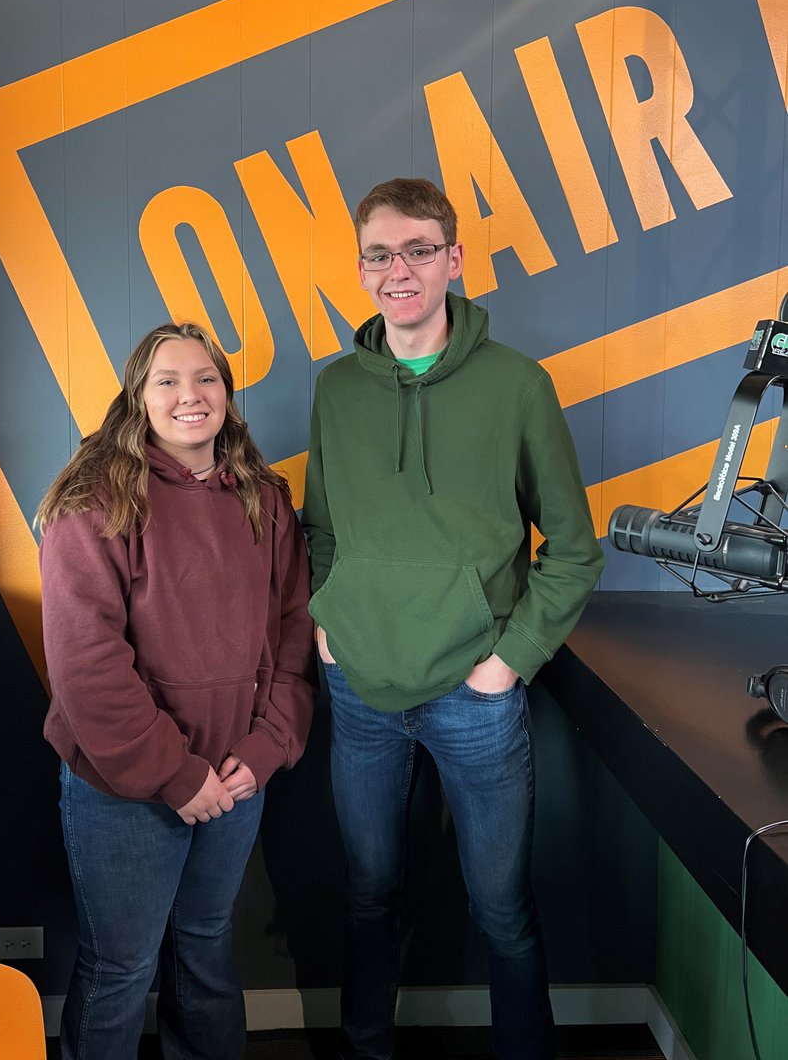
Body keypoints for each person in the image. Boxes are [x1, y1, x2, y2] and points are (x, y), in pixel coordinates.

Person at [302, 178, 604, 1060]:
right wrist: (330, 622)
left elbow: (575, 548)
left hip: (477, 698)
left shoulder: (517, 384)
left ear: (454, 260)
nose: (399, 270)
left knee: (502, 910)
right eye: (380, 254)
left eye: (418, 250)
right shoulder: (337, 391)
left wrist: (507, 662)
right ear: (361, 269)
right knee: (367, 896)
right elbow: (321, 528)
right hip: (361, 691)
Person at [36, 321, 316, 1060]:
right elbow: (87, 665)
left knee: (206, 949)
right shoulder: (93, 502)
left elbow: (292, 634)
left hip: (235, 779)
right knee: (121, 970)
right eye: (168, 380)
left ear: (226, 393)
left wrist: (264, 750)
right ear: (138, 397)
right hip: (123, 787)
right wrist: (176, 773)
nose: (190, 395)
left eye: (206, 379)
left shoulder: (265, 497)